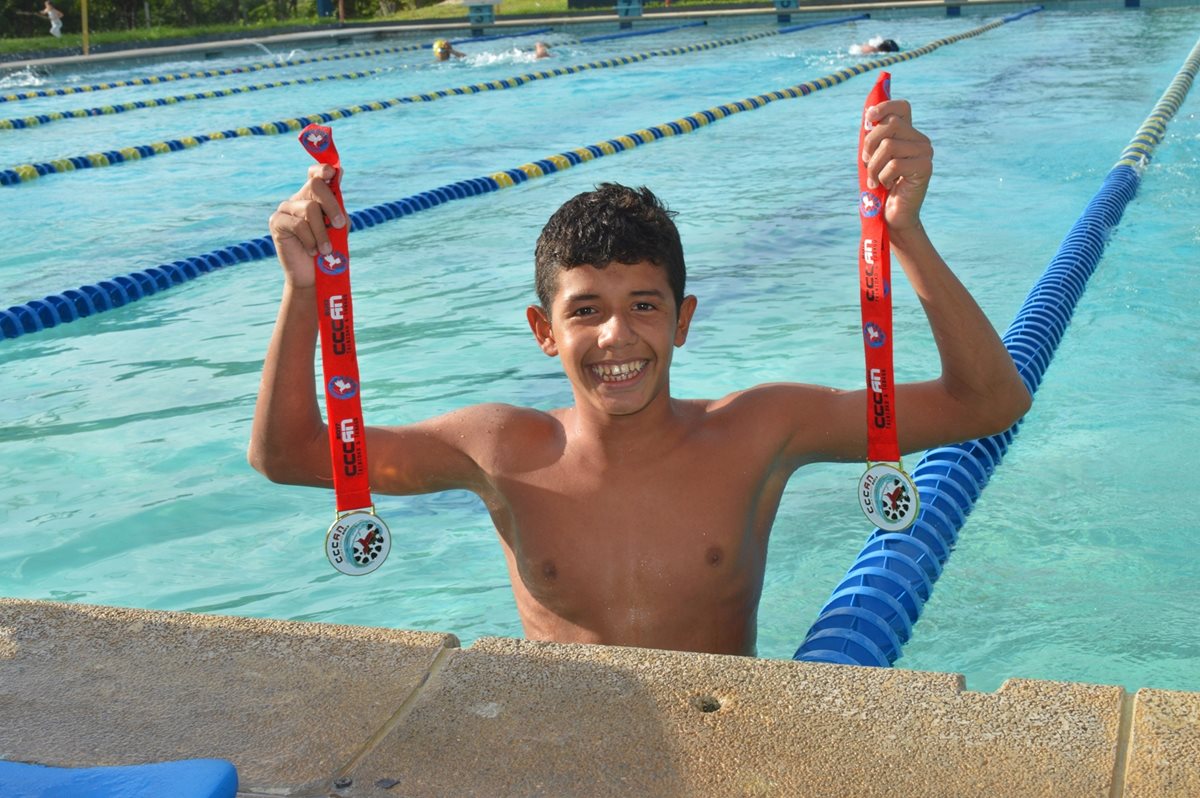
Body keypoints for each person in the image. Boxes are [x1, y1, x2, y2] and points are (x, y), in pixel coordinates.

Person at [250, 98, 1031, 657]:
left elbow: (989, 402)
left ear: (683, 320)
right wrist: (301, 291)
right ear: (544, 332)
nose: (616, 334)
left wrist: (906, 235)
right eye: (585, 310)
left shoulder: (757, 432)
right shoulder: (499, 450)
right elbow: (287, 455)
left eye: (644, 305)